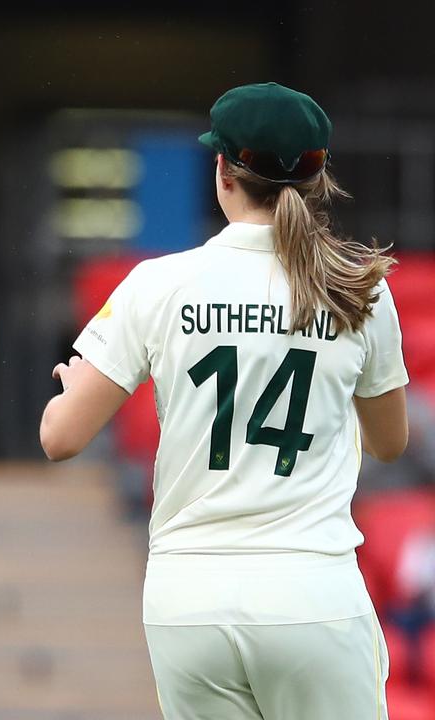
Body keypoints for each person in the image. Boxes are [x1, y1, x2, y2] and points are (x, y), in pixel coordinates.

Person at [38, 82, 410, 719]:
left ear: (222, 171)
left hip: (190, 597)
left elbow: (60, 438)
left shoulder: (156, 283)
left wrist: (73, 389)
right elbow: (390, 442)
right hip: (311, 591)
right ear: (320, 178)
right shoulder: (360, 290)